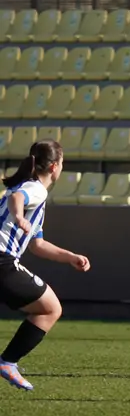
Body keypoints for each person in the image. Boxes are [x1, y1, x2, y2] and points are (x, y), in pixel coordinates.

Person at [0, 140, 91, 391]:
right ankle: (8, 362)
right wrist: (18, 216)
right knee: (50, 308)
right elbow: (18, 198)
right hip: (2, 261)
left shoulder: (30, 191)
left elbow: (37, 245)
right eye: (61, 163)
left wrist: (70, 256)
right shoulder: (35, 189)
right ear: (53, 166)